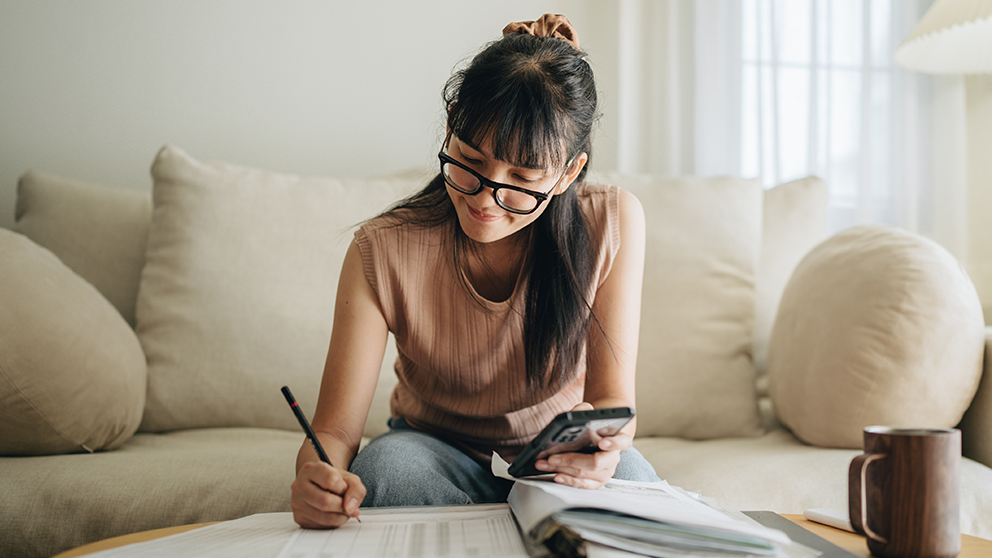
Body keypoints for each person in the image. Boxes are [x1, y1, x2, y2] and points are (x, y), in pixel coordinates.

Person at [290, 13, 658, 529]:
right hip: (431, 448)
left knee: (636, 490)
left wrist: (604, 448)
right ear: (450, 125)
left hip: (555, 455)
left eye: (522, 178)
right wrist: (316, 472)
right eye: (469, 161)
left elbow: (613, 401)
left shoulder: (611, 222)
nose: (487, 199)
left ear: (568, 173)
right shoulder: (382, 247)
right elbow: (334, 432)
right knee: (386, 473)